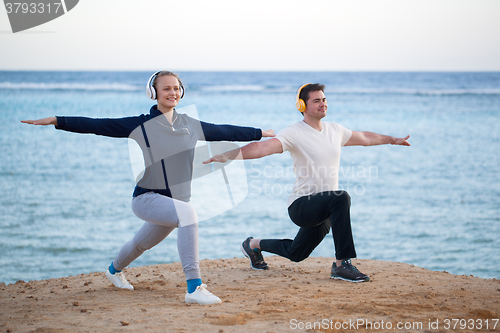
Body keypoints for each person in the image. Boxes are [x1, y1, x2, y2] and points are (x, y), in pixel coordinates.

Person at [22, 71, 274, 305]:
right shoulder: (142, 125)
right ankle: (194, 288)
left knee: (140, 244)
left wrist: (260, 132)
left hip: (174, 201)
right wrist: (57, 120)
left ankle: (113, 271)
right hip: (147, 198)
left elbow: (222, 130)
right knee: (189, 215)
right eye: (166, 88)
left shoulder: (189, 124)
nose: (172, 93)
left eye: (177, 88)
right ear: (153, 93)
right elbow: (98, 125)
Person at [203, 83, 410, 282]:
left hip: (325, 209)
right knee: (342, 197)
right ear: (302, 106)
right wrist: (230, 155)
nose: (323, 104)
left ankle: (253, 244)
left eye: (324, 100)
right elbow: (262, 148)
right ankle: (341, 265)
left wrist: (393, 139)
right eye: (317, 101)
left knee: (297, 253)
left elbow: (365, 137)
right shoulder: (294, 132)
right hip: (302, 205)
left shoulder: (335, 130)